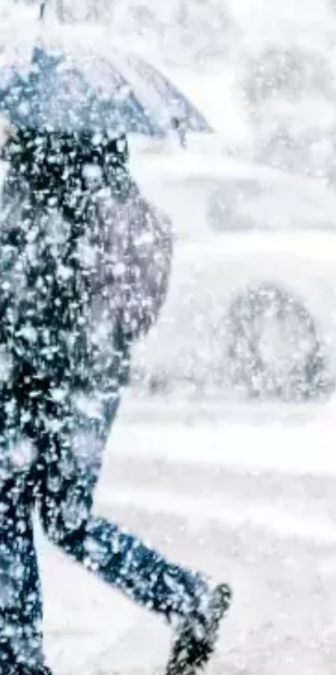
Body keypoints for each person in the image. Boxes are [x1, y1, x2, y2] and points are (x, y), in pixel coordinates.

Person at [0, 125, 232, 675]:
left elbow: (16, 295)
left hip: (32, 378)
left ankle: (18, 658)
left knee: (9, 510)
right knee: (65, 517)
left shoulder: (32, 197)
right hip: (89, 385)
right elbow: (138, 306)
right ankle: (183, 597)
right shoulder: (127, 204)